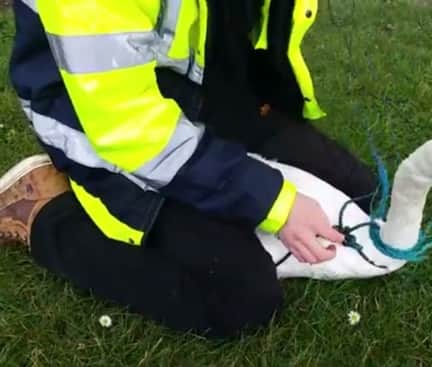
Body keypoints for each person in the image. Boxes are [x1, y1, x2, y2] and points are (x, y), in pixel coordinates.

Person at [2, 0, 377, 338]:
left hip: (198, 89)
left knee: (364, 192)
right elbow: (131, 129)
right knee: (242, 296)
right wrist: (275, 203)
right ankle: (43, 212)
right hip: (97, 123)